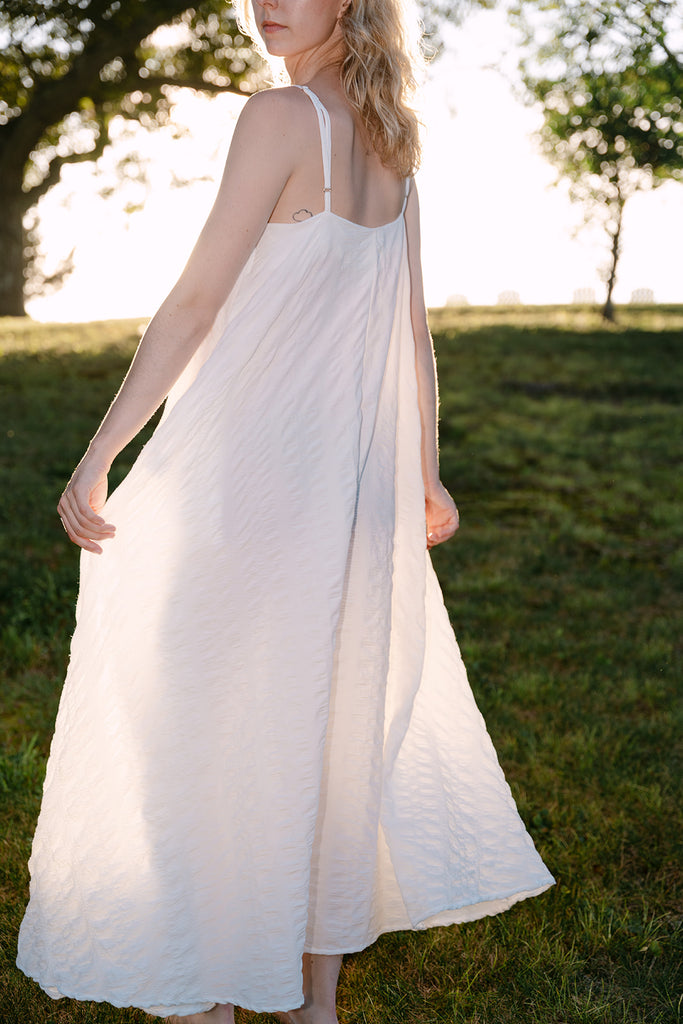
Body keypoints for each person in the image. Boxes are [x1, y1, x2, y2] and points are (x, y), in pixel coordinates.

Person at [16, 0, 555, 1021]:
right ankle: (310, 1004)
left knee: (194, 731)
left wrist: (98, 453)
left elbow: (192, 303)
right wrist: (423, 474)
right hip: (337, 496)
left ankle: (208, 989)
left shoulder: (278, 118)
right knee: (314, 736)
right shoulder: (392, 143)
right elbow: (413, 337)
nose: (266, 1)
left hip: (239, 483)